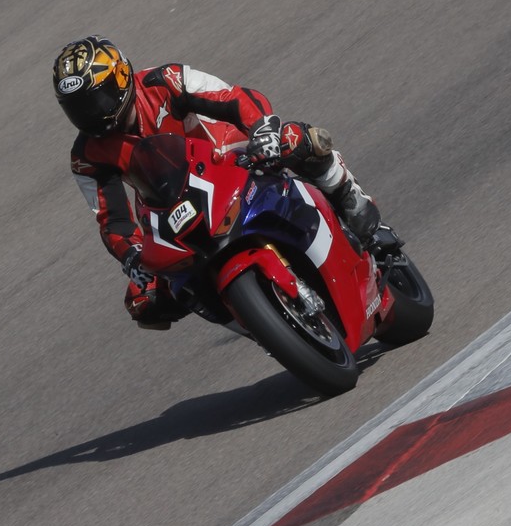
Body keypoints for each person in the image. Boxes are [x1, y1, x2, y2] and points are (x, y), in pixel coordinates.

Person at [53, 35, 395, 329]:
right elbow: (112, 220)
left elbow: (232, 97)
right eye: (77, 108)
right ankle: (255, 320)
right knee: (144, 300)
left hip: (229, 155)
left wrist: (261, 129)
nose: (90, 114)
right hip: (169, 205)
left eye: (96, 100)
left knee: (295, 139)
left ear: (121, 78)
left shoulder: (165, 81)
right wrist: (132, 256)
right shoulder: (87, 155)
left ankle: (354, 204)